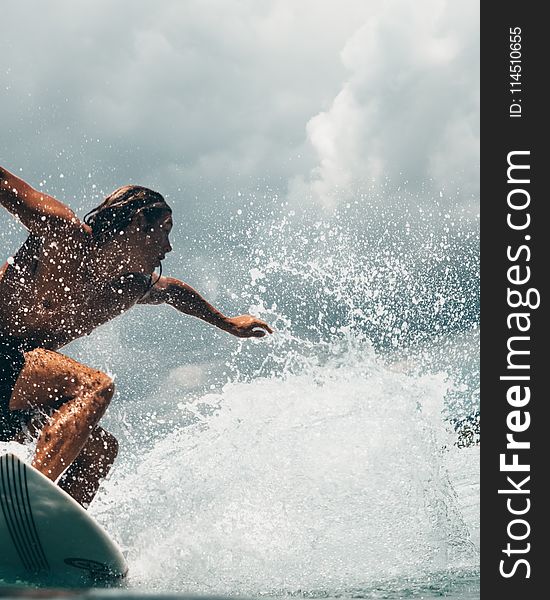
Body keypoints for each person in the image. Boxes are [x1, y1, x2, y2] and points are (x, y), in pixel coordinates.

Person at [0, 165, 273, 507]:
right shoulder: (64, 235)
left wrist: (229, 324)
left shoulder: (126, 288)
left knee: (100, 451)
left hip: (14, 385)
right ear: (137, 222)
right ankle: (23, 506)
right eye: (165, 231)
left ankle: (48, 536)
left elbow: (174, 292)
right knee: (95, 386)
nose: (169, 247)